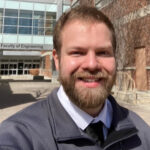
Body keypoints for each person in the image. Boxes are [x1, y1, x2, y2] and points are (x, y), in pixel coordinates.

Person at [0, 6, 149, 150]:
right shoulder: (19, 137)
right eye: (77, 52)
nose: (91, 64)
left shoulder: (142, 134)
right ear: (57, 60)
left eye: (103, 52)